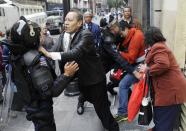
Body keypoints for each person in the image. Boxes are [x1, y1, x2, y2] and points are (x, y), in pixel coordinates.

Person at [39, 9, 119, 131]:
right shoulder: (63, 35)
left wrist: (50, 55)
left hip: (95, 80)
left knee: (102, 112)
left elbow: (75, 53)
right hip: (81, 78)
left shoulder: (86, 35)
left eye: (70, 20)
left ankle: (113, 127)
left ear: (79, 23)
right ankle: (95, 101)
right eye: (65, 19)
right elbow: (54, 48)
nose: (65, 22)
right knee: (87, 97)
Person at [9, 16, 79, 131]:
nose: (42, 35)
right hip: (41, 109)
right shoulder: (35, 60)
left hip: (31, 104)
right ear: (31, 37)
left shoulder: (17, 54)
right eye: (39, 33)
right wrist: (67, 75)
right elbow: (51, 91)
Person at [138, 27, 186, 131]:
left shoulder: (158, 47)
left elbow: (163, 64)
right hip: (167, 92)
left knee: (163, 125)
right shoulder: (159, 46)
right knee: (161, 122)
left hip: (169, 94)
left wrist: (147, 69)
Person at [113, 20, 145, 122]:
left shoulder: (136, 36)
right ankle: (127, 106)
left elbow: (131, 57)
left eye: (121, 33)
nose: (121, 36)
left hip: (141, 65)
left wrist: (120, 53)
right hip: (137, 64)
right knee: (122, 82)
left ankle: (123, 113)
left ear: (126, 29)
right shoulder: (131, 35)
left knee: (123, 84)